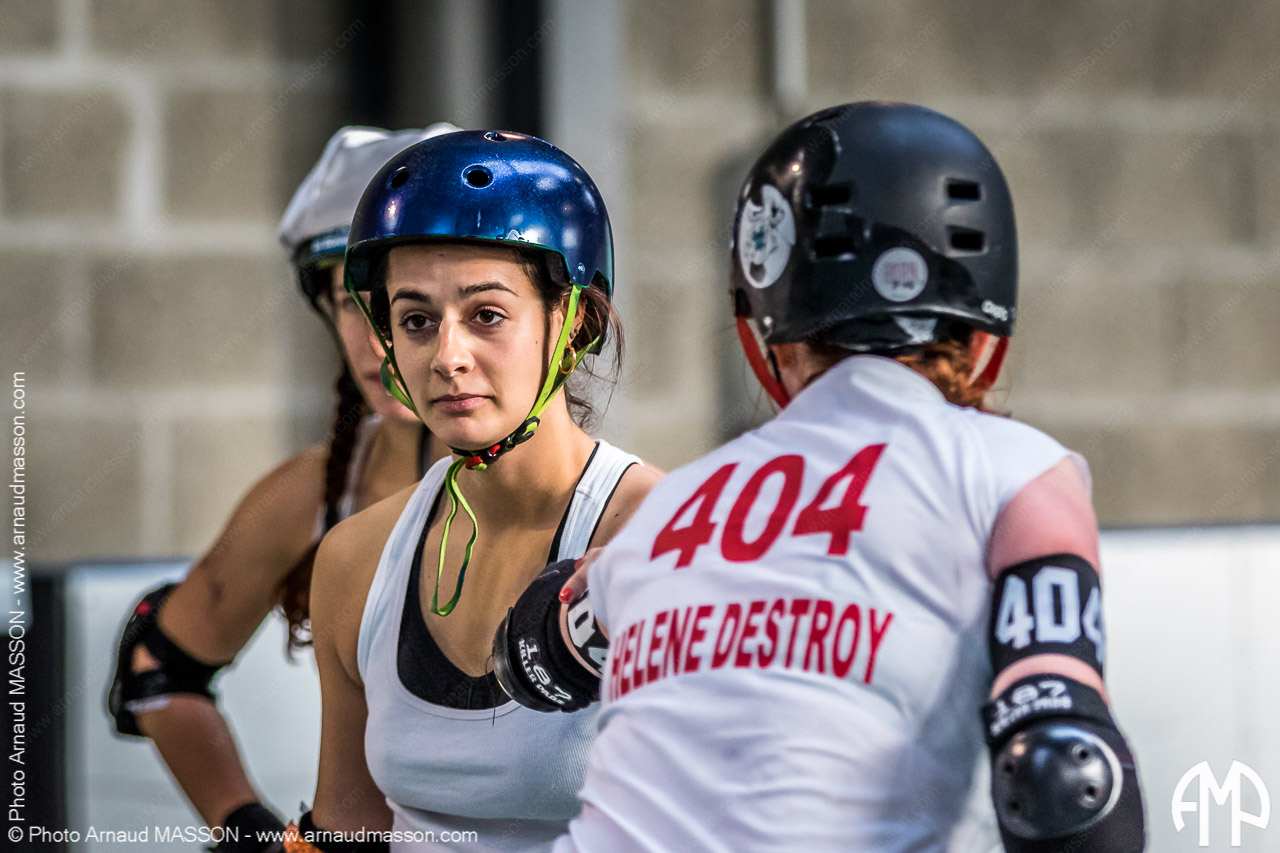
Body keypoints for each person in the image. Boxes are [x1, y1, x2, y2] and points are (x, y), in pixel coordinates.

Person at [495, 103, 1146, 852]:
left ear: (767, 335)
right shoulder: (1016, 470)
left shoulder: (670, 509)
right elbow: (1061, 768)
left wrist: (616, 586)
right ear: (981, 334)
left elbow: (527, 656)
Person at [295, 130, 660, 852]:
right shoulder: (356, 558)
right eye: (416, 320)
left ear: (575, 320)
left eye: (487, 315)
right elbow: (345, 833)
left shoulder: (657, 534)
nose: (447, 356)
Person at [107, 125, 456, 851]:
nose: (381, 337)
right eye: (352, 301)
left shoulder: (585, 492)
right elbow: (154, 668)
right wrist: (251, 834)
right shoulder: (318, 490)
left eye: (409, 305)